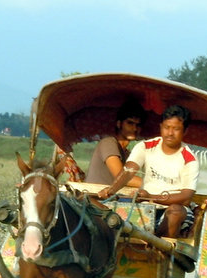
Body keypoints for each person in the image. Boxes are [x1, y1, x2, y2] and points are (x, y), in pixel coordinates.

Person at [98, 105, 199, 238]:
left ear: (185, 131)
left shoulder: (190, 159)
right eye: (167, 127)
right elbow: (129, 170)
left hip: (173, 209)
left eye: (176, 129)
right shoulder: (145, 146)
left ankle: (160, 254)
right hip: (145, 206)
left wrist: (150, 197)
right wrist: (111, 190)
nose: (170, 133)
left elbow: (186, 197)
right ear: (161, 127)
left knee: (176, 212)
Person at [85, 97, 146, 187]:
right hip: (93, 197)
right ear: (119, 124)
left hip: (111, 198)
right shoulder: (108, 143)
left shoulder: (126, 154)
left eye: (138, 125)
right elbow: (122, 178)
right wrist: (155, 185)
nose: (134, 128)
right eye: (130, 123)